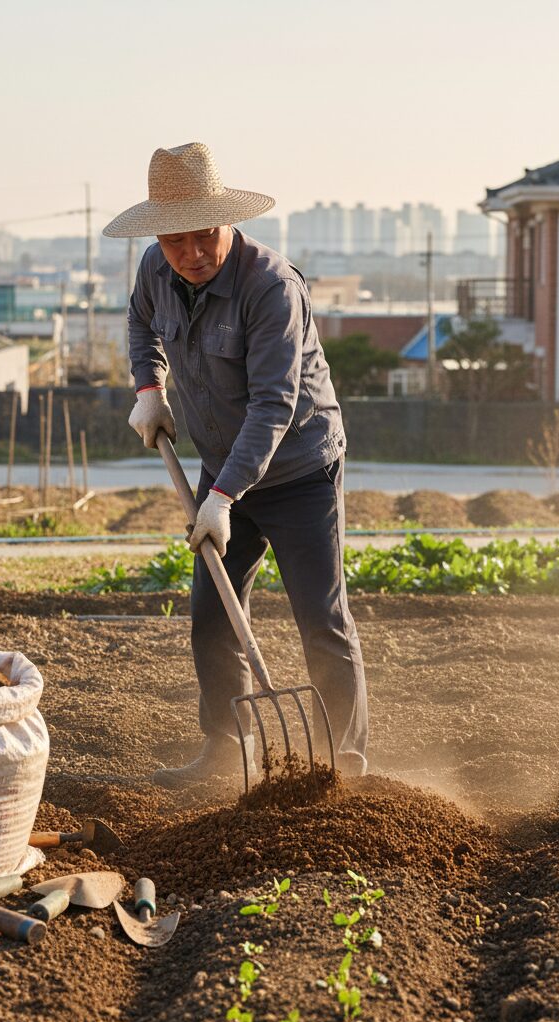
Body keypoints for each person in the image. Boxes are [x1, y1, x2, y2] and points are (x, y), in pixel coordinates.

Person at [103, 142, 368, 787]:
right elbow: (140, 322)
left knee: (321, 618)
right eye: (176, 240)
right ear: (158, 238)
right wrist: (149, 388)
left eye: (204, 235)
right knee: (213, 616)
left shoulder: (271, 287)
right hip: (222, 462)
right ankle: (225, 752)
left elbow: (274, 403)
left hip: (299, 468)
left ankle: (343, 764)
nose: (192, 253)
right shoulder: (155, 268)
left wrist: (221, 499)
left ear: (227, 221)